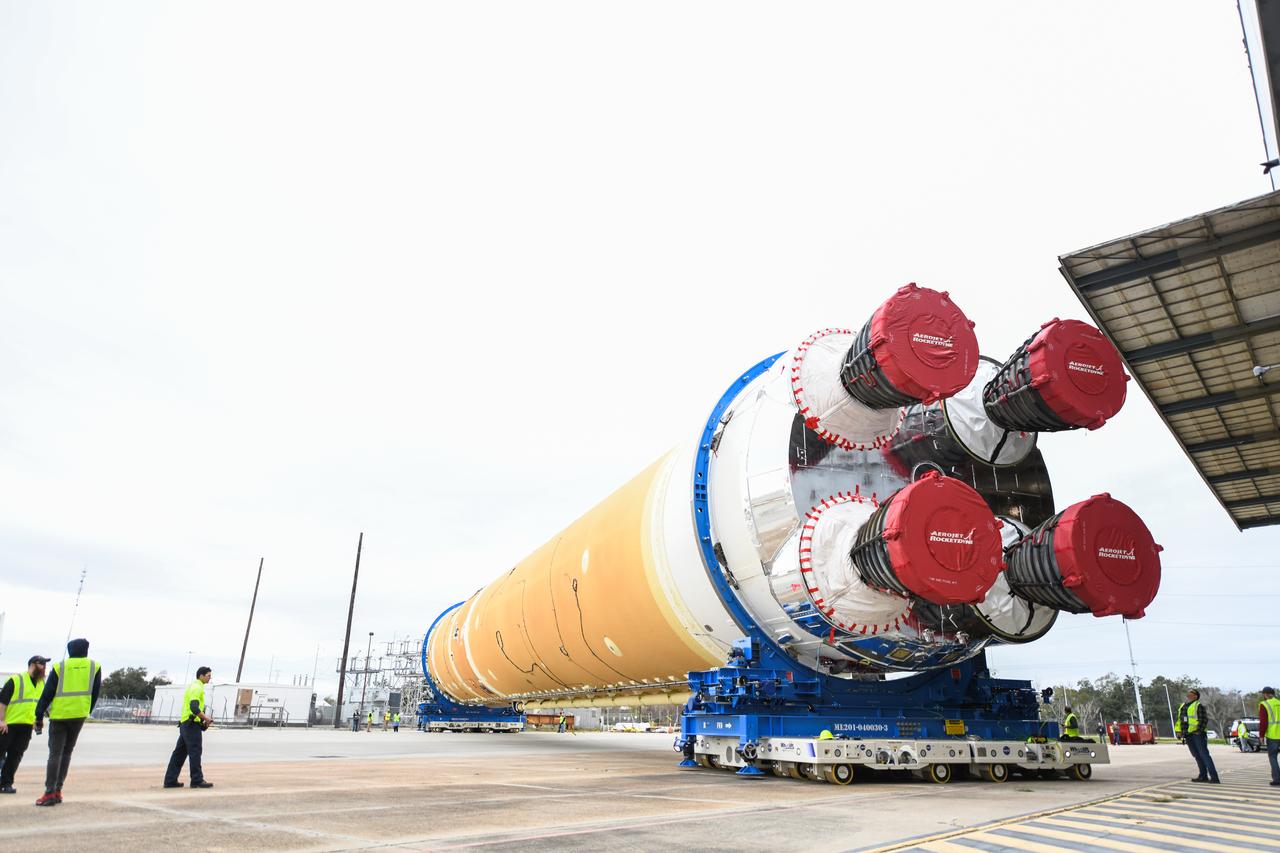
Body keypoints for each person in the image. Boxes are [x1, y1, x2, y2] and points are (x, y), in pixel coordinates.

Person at [33, 638, 102, 806]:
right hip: (79, 715)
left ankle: (49, 793)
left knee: (55, 754)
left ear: (70, 651)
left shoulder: (60, 667)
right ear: (86, 650)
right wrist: (86, 710)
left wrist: (39, 715)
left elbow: (47, 693)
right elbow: (95, 692)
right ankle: (58, 790)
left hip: (60, 715)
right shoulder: (95, 667)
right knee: (67, 753)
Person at [0, 655, 49, 794]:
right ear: (32, 665)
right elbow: (2, 702)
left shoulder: (41, 684)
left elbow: (37, 704)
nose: (44, 667)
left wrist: (37, 721)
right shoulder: (16, 680)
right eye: (42, 664)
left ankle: (5, 784)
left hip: (26, 726)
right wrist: (1, 720)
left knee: (15, 756)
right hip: (8, 725)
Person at [163, 666, 214, 790]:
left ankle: (170, 780)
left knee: (179, 754)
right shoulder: (197, 688)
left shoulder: (192, 686)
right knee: (195, 752)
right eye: (208, 676)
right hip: (191, 725)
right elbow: (194, 707)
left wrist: (202, 721)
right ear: (201, 676)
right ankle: (197, 780)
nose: (210, 678)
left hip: (185, 723)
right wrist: (206, 718)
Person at [1175, 689, 1219, 784]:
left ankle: (1214, 777)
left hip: (1197, 735)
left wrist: (1198, 731)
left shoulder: (1198, 706)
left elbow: (1204, 720)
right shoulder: (1183, 706)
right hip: (1188, 735)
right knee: (1197, 756)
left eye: (1191, 694)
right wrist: (1178, 731)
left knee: (1204, 755)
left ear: (1196, 696)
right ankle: (1203, 776)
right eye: (1188, 693)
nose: (1189, 695)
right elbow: (1179, 720)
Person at [1260, 686, 1280, 787]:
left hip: (1273, 736)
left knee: (1273, 757)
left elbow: (1263, 722)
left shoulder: (1265, 704)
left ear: (1266, 694)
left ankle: (1277, 779)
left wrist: (1261, 735)